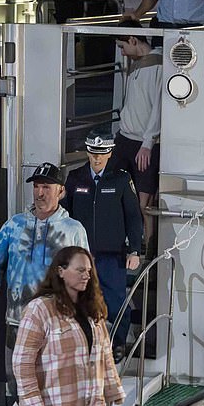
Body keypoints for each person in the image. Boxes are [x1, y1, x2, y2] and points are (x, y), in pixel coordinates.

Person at [0, 162, 89, 400]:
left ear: (61, 191)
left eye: (47, 187)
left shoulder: (73, 230)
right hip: (16, 322)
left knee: (54, 387)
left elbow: (85, 277)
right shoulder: (13, 226)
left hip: (57, 323)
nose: (40, 192)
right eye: (37, 186)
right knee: (17, 383)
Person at [13, 246, 125, 406]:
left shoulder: (92, 310)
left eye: (89, 271)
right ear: (61, 271)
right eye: (80, 270)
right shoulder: (40, 309)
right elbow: (22, 360)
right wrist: (31, 400)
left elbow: (104, 353)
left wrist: (113, 390)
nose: (86, 276)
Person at [62, 130, 143, 361]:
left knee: (116, 301)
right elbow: (65, 214)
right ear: (87, 152)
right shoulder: (75, 178)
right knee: (77, 300)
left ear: (109, 153)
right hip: (81, 254)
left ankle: (118, 343)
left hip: (111, 254)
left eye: (102, 153)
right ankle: (82, 342)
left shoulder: (120, 179)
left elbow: (133, 216)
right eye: (93, 153)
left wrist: (135, 249)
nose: (97, 158)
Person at [111, 20, 161, 258]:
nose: (121, 52)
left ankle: (149, 251)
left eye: (122, 46)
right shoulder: (136, 66)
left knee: (145, 203)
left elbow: (158, 109)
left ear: (133, 40)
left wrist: (148, 143)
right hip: (125, 139)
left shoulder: (157, 66)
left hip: (142, 143)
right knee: (115, 191)